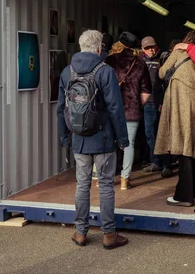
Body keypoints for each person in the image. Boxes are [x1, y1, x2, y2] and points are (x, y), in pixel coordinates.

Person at [57, 30, 129, 250]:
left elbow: (61, 109)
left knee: (82, 185)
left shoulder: (67, 72)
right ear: (99, 48)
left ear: (80, 46)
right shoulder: (105, 71)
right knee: (106, 185)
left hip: (79, 140)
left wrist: (64, 136)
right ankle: (109, 235)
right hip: (104, 138)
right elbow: (116, 108)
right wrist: (123, 138)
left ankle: (80, 233)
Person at [155, 30, 195, 207]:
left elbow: (162, 73)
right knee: (194, 148)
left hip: (182, 102)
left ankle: (184, 195)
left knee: (184, 148)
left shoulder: (179, 52)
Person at [105, 31, 152, 190]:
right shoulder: (140, 63)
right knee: (129, 144)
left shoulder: (109, 61)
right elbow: (146, 92)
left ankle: (108, 178)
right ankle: (125, 179)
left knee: (110, 144)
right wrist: (137, 104)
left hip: (111, 110)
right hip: (132, 110)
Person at [140, 36, 171, 178]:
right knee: (149, 134)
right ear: (142, 49)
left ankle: (166, 164)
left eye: (152, 47)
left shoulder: (162, 59)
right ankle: (156, 162)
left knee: (163, 134)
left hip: (160, 102)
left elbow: (167, 82)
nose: (150, 50)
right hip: (147, 104)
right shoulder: (139, 61)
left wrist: (164, 102)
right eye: (147, 48)